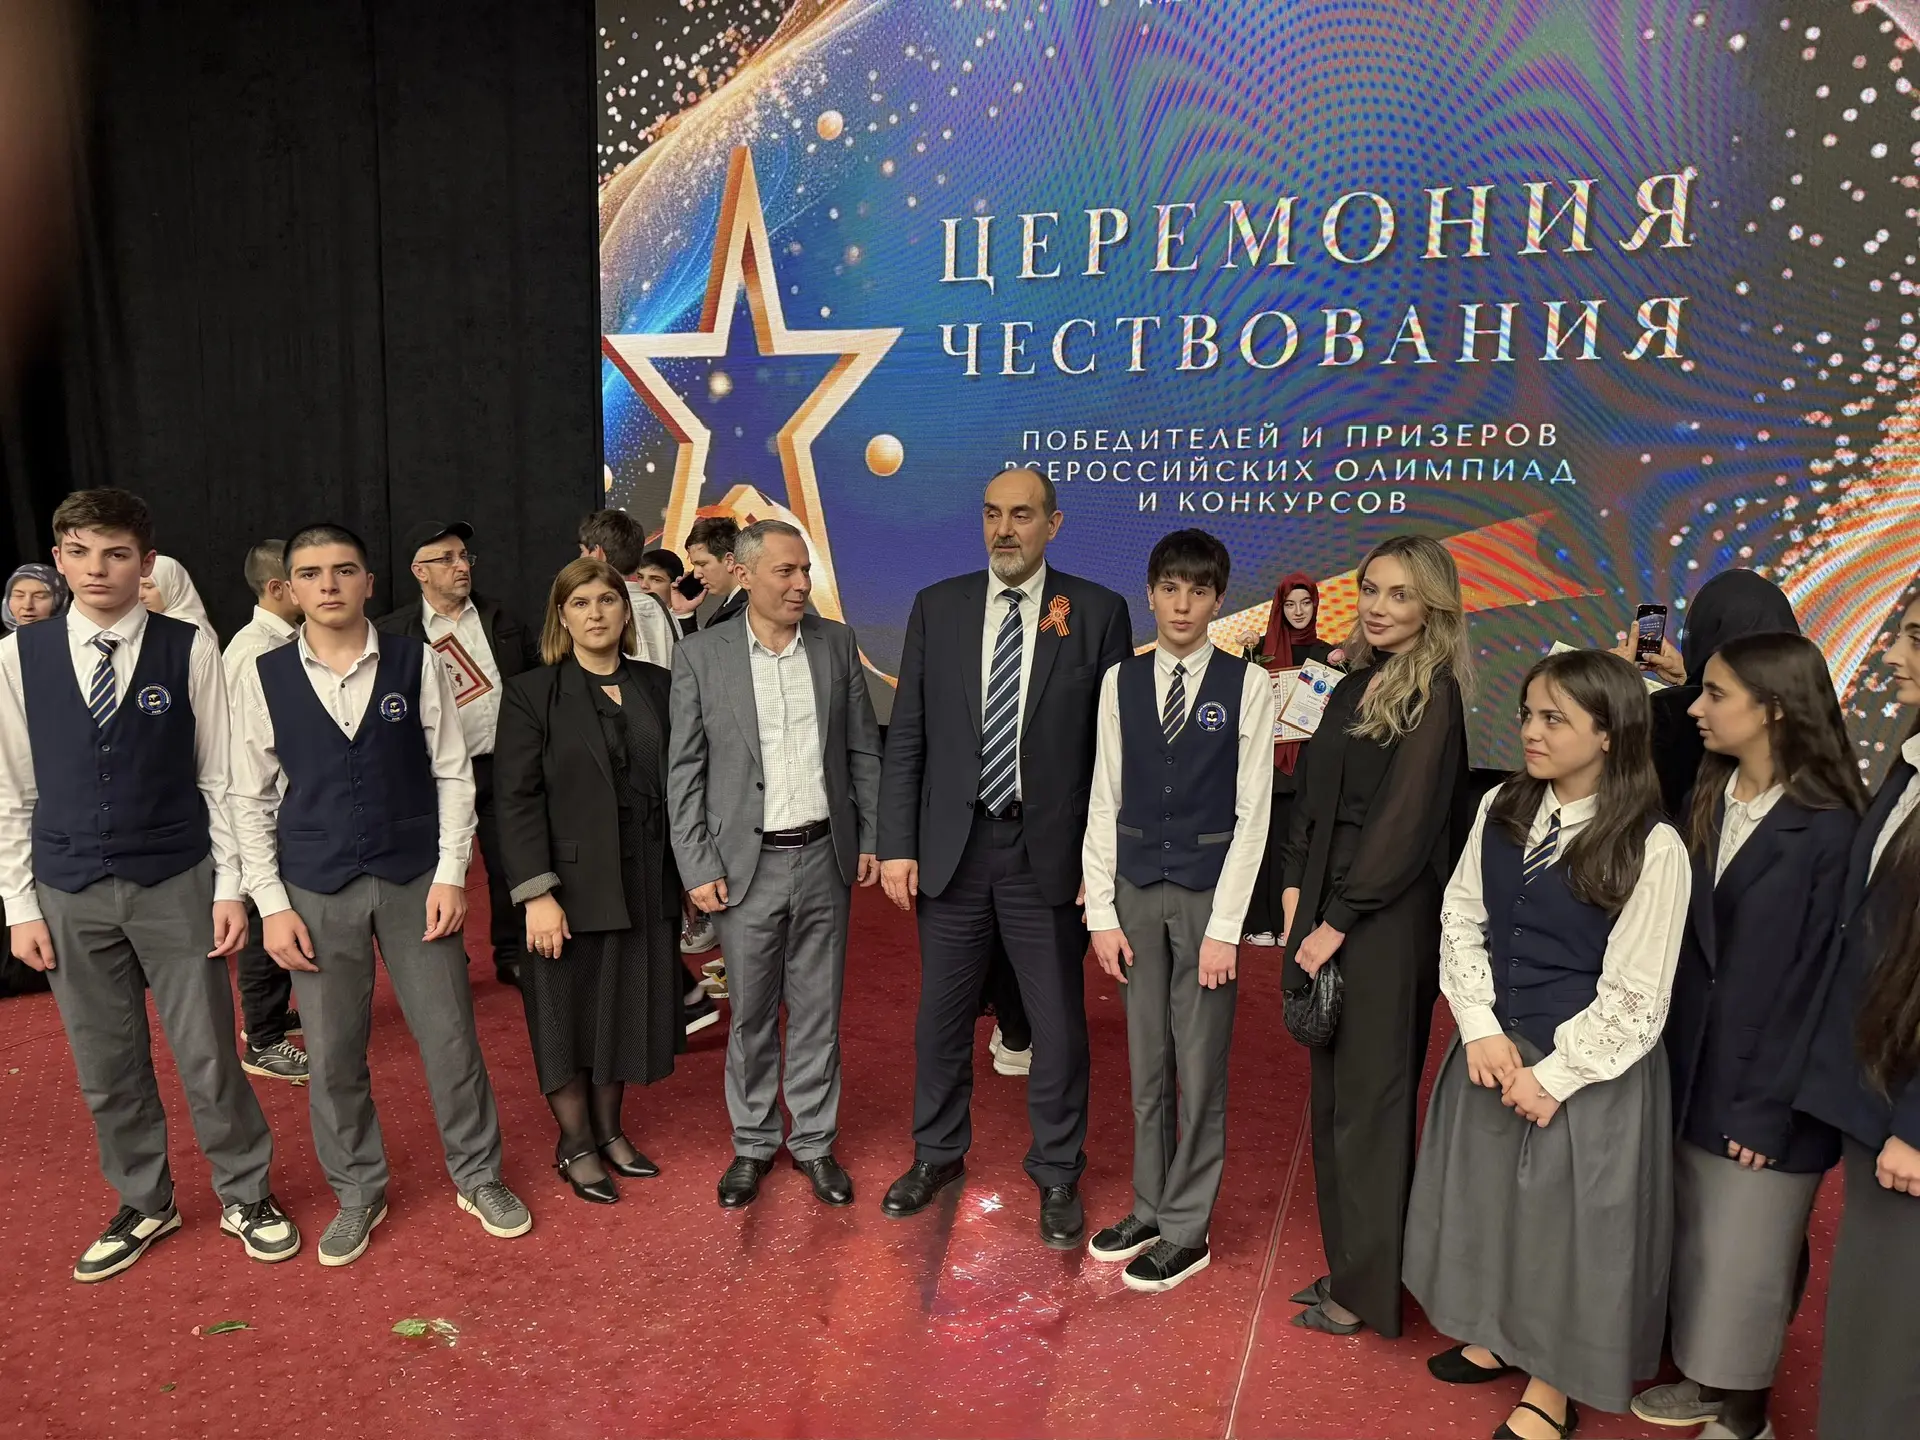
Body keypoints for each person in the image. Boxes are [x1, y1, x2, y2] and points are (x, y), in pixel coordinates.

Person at [0, 489, 298, 1280]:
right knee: (106, 1065)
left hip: (176, 878)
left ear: (147, 563)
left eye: (117, 554)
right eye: (80, 553)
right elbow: (12, 791)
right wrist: (19, 905)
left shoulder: (189, 647)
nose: (98, 569)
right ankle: (145, 1200)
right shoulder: (17, 656)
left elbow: (221, 778)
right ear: (59, 559)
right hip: (67, 887)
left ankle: (246, 1192)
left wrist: (230, 888)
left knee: (208, 1055)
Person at [1405, 648, 1688, 1440]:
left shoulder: (1652, 845)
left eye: (1554, 719)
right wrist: (1480, 1026)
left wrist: (1557, 1076)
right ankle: (1498, 1332)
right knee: (1493, 1205)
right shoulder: (1502, 805)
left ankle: (1553, 1387)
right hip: (1498, 1048)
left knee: (1566, 1235)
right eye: (1528, 714)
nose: (1531, 730)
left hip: (1588, 1071)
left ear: (1609, 733)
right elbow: (1462, 916)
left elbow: (1638, 993)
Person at [231, 523, 530, 1265]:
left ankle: (478, 1174)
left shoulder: (415, 661)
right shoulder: (262, 675)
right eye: (311, 573)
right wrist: (271, 904)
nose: (328, 584)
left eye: (343, 570)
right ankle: (358, 1190)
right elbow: (249, 799)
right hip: (313, 886)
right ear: (289, 588)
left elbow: (453, 771)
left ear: (369, 581)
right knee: (333, 1053)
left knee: (451, 1038)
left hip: (413, 879)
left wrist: (452, 873)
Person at [878, 466, 1132, 1249]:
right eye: (992, 514)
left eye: (1022, 515)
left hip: (1044, 854)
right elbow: (908, 734)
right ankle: (936, 1153)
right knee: (941, 1019)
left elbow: (1112, 755)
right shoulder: (938, 606)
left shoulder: (1097, 612)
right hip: (952, 852)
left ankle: (1056, 1170)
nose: (1004, 530)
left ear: (1053, 525)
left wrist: (1102, 866)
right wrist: (896, 845)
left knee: (1056, 1026)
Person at [1628, 634, 1862, 1440]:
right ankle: (1706, 1384)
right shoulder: (1710, 793)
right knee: (1700, 1248)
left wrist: (1771, 1108)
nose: (1695, 707)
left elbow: (1822, 986)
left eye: (1716, 693)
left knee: (1747, 1263)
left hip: (1768, 1092)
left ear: (1775, 709)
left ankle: (1743, 1415)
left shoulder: (1833, 829)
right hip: (1692, 1068)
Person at [1279, 533, 1469, 1336]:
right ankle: (1351, 1267)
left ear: (1433, 606)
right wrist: (1295, 892)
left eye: (1400, 593)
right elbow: (1311, 798)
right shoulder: (1355, 680)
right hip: (1327, 908)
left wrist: (1336, 922)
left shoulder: (1434, 696)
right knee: (1332, 1102)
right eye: (1370, 589)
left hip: (1383, 925)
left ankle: (1367, 1292)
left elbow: (1404, 829)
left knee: (1372, 1107)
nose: (1380, 607)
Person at [667, 519, 882, 1209]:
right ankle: (754, 1142)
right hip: (743, 866)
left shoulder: (835, 643)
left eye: (805, 571)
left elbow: (861, 749)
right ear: (743, 573)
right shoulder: (702, 656)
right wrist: (696, 864)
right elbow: (684, 772)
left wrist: (872, 835)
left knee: (818, 1011)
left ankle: (814, 1142)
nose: (800, 584)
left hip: (824, 856)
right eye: (786, 571)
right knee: (752, 1014)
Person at [1082, 529, 1274, 1292]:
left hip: (1205, 897)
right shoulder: (1120, 681)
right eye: (1170, 589)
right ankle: (1150, 1206)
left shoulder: (1246, 684)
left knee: (1199, 1067)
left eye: (1198, 591)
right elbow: (1103, 797)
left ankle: (1188, 1228)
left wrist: (1227, 929)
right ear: (1151, 594)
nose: (1183, 604)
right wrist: (1101, 911)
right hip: (1135, 888)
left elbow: (1254, 814)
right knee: (1146, 1064)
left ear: (1219, 600)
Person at [495, 558, 683, 1203]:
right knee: (566, 1015)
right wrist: (536, 893)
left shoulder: (659, 684)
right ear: (562, 616)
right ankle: (574, 1141)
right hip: (567, 886)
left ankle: (609, 1131)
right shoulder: (532, 693)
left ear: (627, 611)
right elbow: (515, 801)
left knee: (624, 1008)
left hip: (646, 876)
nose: (596, 613)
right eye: (580, 603)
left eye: (607, 600)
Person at [1793, 594, 1920, 1440]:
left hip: (1905, 1117)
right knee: (1872, 1326)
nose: (1894, 653)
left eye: (1916, 637)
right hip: (1873, 1084)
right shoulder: (1908, 761)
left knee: (1890, 1340)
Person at [375, 520, 539, 988]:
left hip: (503, 764)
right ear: (419, 571)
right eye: (446, 559)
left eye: (464, 556)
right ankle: (444, 956)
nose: (461, 565)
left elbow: (533, 681)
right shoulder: (394, 633)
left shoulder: (502, 618)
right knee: (436, 868)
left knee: (511, 863)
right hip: (435, 774)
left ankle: (513, 953)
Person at [222, 539, 309, 1084]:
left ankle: (272, 1013)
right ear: (278, 588)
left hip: (290, 807)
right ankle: (263, 1037)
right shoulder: (251, 652)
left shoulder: (291, 641)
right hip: (264, 810)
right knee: (263, 920)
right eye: (304, 576)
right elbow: (240, 750)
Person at [1619, 569, 1800, 821]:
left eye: (1717, 695)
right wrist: (1689, 679)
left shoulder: (1666, 713)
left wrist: (1612, 682)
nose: (1697, 710)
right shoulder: (1811, 719)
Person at [1243, 572, 1341, 946]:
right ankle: (1260, 922)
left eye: (1305, 603)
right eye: (1290, 604)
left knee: (1302, 842)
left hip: (1309, 762)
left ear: (1315, 605)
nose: (1298, 611)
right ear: (1279, 607)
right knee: (1264, 839)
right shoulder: (1260, 652)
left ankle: (1295, 924)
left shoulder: (1327, 655)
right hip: (1266, 762)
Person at [577, 508, 680, 666]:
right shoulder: (664, 611)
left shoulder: (608, 613)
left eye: (582, 551)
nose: (580, 558)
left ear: (597, 554)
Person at [683, 515, 746, 630]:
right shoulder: (732, 604)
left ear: (729, 561)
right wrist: (684, 614)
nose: (696, 575)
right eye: (694, 566)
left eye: (702, 564)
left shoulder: (751, 608)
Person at [3, 562, 67, 630]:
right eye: (19, 595)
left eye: (39, 596)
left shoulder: (71, 636)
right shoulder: (7, 637)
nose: (27, 606)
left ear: (58, 601)